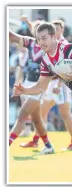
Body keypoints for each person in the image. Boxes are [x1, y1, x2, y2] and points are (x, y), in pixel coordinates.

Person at [12, 22, 72, 171]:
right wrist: (24, 90)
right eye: (38, 39)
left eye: (44, 38)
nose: (41, 42)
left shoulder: (67, 49)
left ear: (54, 37)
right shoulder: (46, 61)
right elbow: (40, 87)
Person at [21, 19, 72, 150]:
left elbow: (65, 69)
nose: (56, 31)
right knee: (42, 113)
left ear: (61, 30)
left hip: (61, 84)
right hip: (48, 84)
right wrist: (28, 22)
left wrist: (59, 85)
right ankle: (36, 140)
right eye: (54, 29)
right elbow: (36, 31)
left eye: (58, 29)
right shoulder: (50, 44)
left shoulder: (64, 45)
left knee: (65, 114)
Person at [9, 23, 54, 154]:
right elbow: (11, 35)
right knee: (36, 119)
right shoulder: (29, 42)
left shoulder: (50, 47)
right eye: (36, 28)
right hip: (27, 82)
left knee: (23, 114)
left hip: (39, 85)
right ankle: (48, 146)